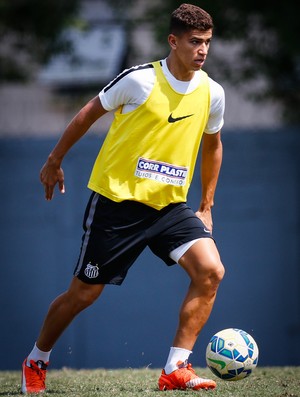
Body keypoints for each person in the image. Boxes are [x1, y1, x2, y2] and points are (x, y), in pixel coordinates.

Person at [21, 3, 225, 393]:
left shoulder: (212, 93)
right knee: (83, 294)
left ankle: (175, 368)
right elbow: (87, 114)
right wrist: (55, 159)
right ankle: (36, 359)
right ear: (173, 41)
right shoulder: (139, 81)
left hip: (169, 207)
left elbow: (213, 146)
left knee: (211, 271)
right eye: (194, 41)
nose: (202, 50)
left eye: (207, 43)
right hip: (117, 205)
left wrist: (206, 205)